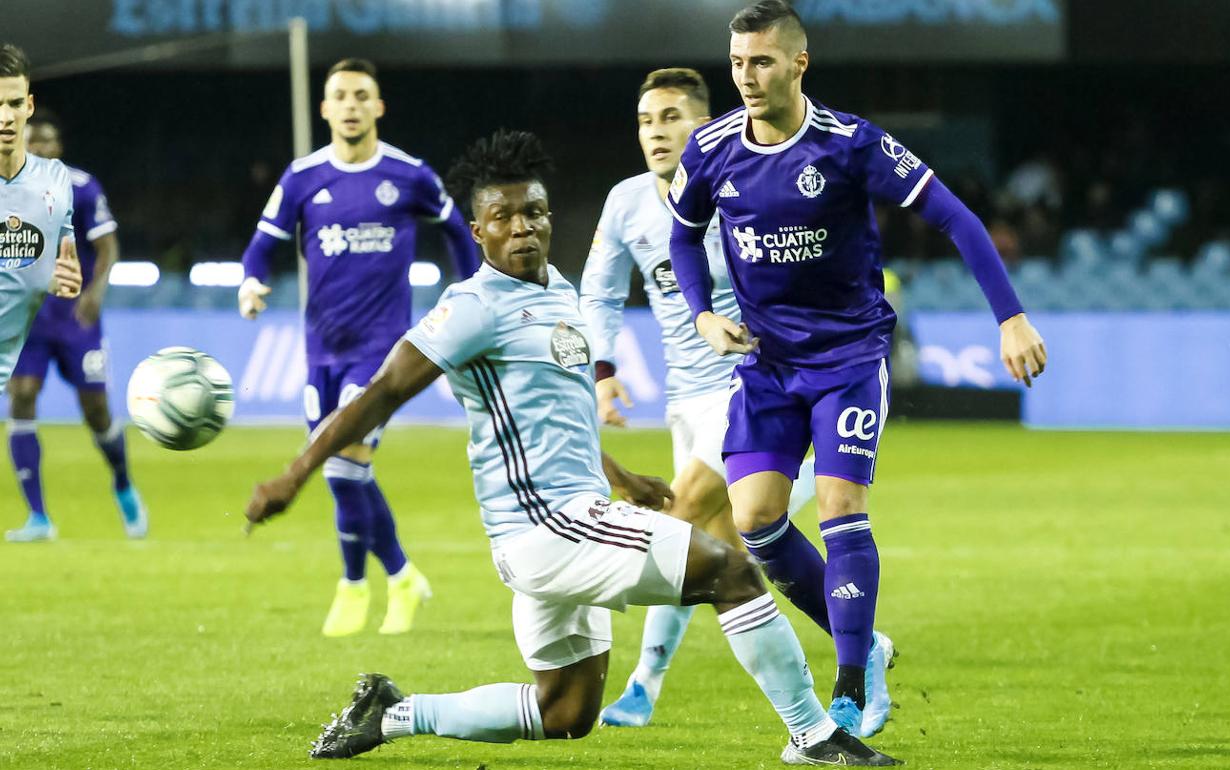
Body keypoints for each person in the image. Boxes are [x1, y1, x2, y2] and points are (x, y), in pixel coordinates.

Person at [244, 129, 899, 767]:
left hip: (570, 519)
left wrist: (618, 476)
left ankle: (389, 713)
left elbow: (554, 412)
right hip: (548, 528)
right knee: (730, 572)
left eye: (533, 211)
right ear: (479, 233)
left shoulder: (559, 292)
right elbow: (381, 392)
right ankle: (814, 736)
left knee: (565, 712)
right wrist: (294, 475)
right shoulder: (472, 306)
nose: (522, 226)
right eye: (503, 216)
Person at [666, 0, 1047, 737]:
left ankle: (849, 686)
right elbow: (685, 236)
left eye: (763, 62)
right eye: (738, 62)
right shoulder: (711, 148)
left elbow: (956, 218)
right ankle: (866, 643)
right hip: (767, 363)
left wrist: (1010, 316)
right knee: (755, 523)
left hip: (847, 357)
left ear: (799, 63)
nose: (747, 76)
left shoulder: (848, 144)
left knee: (841, 508)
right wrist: (703, 313)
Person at [583, 68, 900, 732]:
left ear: (704, 125)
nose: (656, 132)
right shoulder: (626, 204)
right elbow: (602, 291)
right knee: (716, 557)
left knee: (677, 515)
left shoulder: (740, 184)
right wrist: (605, 368)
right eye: (646, 120)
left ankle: (640, 675)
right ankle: (856, 657)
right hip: (684, 397)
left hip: (751, 383)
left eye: (671, 117)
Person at [238, 57, 479, 637]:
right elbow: (261, 245)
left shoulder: (410, 174)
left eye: (361, 95)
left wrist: (474, 297)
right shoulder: (302, 178)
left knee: (344, 465)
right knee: (340, 472)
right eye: (340, 95)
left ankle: (354, 585)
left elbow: (457, 231)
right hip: (319, 349)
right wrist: (251, 282)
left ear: (378, 106)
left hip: (382, 352)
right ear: (325, 109)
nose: (350, 105)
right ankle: (402, 577)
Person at [6, 112, 146, 543]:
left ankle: (122, 482)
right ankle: (38, 517)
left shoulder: (81, 187)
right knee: (22, 396)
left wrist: (96, 292)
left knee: (96, 410)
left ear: (59, 147)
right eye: (34, 141)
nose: (42, 148)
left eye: (49, 141)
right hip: (25, 318)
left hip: (74, 317)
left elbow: (107, 246)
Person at [0, 43, 83, 536]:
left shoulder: (54, 181)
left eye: (13, 104)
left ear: (28, 106)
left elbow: (59, 261)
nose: (4, 117)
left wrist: (62, 279)